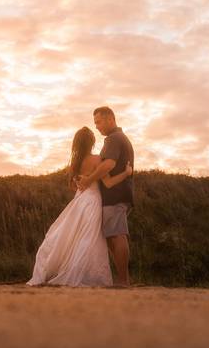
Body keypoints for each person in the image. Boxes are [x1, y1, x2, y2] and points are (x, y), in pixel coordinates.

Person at [26, 126, 133, 287]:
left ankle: (67, 269)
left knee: (73, 237)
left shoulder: (74, 164)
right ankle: (87, 274)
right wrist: (126, 173)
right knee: (90, 238)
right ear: (92, 142)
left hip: (79, 201)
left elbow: (74, 187)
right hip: (93, 202)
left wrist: (81, 181)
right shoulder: (97, 160)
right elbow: (109, 183)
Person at [75, 107, 135, 286]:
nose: (97, 127)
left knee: (117, 234)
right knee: (111, 236)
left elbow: (108, 164)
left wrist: (88, 180)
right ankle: (122, 279)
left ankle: (123, 281)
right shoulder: (118, 138)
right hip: (114, 194)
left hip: (116, 195)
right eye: (95, 123)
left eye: (99, 122)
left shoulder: (113, 139)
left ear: (110, 119)